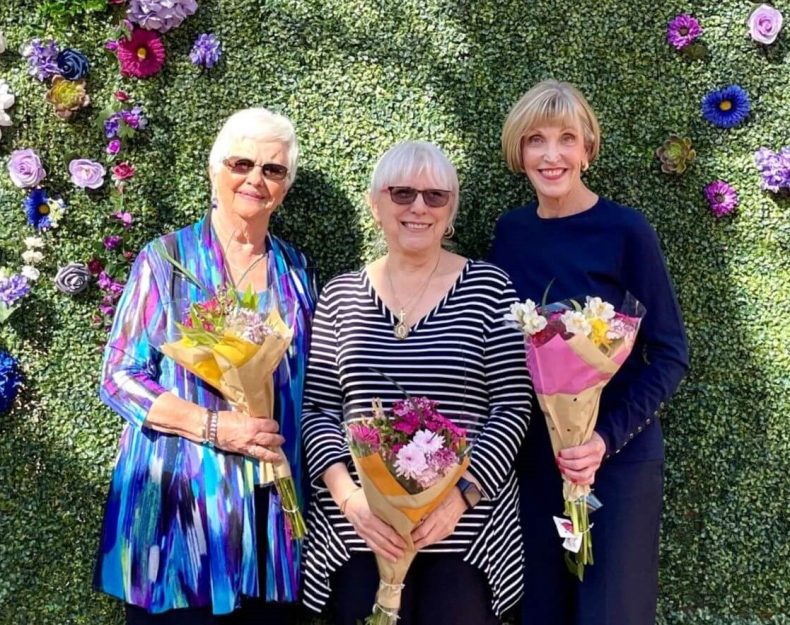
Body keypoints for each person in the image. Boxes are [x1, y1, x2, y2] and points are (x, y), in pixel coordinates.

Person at [94, 108, 316, 625]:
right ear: (215, 171)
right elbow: (120, 376)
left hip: (269, 518)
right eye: (242, 163)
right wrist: (215, 427)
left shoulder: (297, 272)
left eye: (273, 169)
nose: (255, 179)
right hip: (180, 513)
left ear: (285, 185)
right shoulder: (166, 260)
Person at [300, 140, 532, 625]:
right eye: (402, 193)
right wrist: (351, 500)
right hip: (361, 532)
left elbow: (513, 407)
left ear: (451, 211)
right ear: (376, 203)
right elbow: (318, 408)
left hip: (464, 532)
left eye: (436, 196)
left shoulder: (491, 289)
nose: (419, 207)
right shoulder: (341, 295)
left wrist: (461, 496)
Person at [489, 80, 689, 625]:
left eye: (566, 139)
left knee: (611, 612)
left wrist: (603, 439)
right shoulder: (509, 234)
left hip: (618, 461)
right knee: (543, 611)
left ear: (587, 149)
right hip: (539, 459)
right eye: (535, 140)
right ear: (519, 151)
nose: (551, 155)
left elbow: (670, 353)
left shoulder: (626, 231)